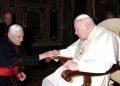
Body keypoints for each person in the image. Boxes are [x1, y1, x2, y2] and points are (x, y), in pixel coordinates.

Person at [42, 14, 120, 86]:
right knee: (47, 81)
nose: (75, 32)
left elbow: (105, 65)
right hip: (74, 71)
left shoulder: (106, 36)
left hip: (91, 76)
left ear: (87, 25)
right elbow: (71, 51)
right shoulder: (85, 37)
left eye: (77, 29)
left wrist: (78, 66)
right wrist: (58, 53)